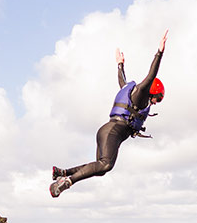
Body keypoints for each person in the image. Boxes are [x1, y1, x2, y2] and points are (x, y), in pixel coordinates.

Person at [50, 30, 168, 198]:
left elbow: (122, 82)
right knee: (106, 165)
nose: (156, 102)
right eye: (158, 98)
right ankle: (67, 182)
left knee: (101, 168)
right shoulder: (142, 95)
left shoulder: (132, 94)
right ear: (153, 92)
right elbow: (151, 75)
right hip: (113, 131)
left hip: (108, 130)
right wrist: (159, 52)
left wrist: (120, 65)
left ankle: (63, 172)